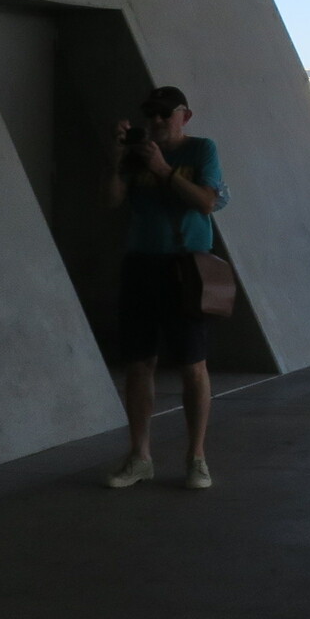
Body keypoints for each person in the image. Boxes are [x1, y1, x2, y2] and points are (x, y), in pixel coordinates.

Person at [104, 85, 228, 491]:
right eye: (150, 114)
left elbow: (207, 202)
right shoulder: (136, 153)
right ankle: (139, 456)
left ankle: (196, 457)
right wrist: (117, 161)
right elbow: (112, 201)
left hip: (185, 267)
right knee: (139, 363)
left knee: (193, 364)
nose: (156, 121)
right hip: (141, 264)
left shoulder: (201, 149)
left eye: (165, 113)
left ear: (184, 116)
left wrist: (162, 170)